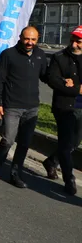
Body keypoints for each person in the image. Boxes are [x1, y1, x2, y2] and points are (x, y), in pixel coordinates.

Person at [0, 26, 48, 188]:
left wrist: (65, 81)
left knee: (24, 142)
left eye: (33, 39)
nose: (29, 42)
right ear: (20, 37)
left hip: (32, 107)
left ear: (38, 38)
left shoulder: (40, 55)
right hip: (12, 105)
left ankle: (15, 173)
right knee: (8, 139)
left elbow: (46, 76)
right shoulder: (8, 55)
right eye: (26, 39)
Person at [43, 26, 82, 194]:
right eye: (73, 40)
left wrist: (74, 85)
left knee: (75, 142)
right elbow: (53, 80)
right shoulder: (59, 57)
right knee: (66, 144)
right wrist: (77, 89)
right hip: (64, 107)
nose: (74, 44)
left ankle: (51, 161)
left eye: (79, 41)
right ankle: (69, 178)